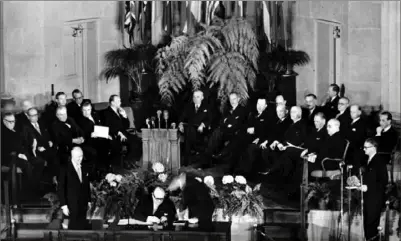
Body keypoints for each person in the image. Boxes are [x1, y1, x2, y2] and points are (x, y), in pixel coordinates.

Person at [361, 138, 388, 241]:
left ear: (373, 148)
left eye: (366, 147)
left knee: (371, 224)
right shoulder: (367, 161)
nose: (364, 149)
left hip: (375, 197)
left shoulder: (379, 161)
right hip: (368, 197)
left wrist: (368, 187)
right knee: (367, 223)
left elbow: (383, 181)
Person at [58, 147, 91, 230]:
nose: (80, 159)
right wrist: (64, 205)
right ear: (72, 156)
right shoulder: (65, 168)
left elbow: (86, 186)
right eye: (78, 157)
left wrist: (89, 200)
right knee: (72, 228)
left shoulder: (84, 167)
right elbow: (61, 188)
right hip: (71, 204)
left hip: (83, 204)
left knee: (82, 226)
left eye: (81, 156)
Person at [178, 90, 212, 162]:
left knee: (188, 133)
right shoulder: (189, 107)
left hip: (201, 130)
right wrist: (180, 124)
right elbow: (182, 117)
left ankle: (188, 158)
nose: (195, 99)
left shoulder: (207, 107)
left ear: (202, 97)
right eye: (194, 97)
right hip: (190, 129)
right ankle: (188, 158)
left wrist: (203, 125)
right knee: (189, 129)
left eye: (198, 97)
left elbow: (210, 119)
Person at [103, 95, 137, 165]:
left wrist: (124, 115)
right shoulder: (106, 112)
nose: (120, 103)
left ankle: (129, 161)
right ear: (112, 102)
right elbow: (108, 126)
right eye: (118, 101)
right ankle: (121, 164)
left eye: (120, 101)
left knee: (137, 141)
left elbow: (126, 126)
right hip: (113, 135)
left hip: (123, 133)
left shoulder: (120, 111)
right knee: (116, 146)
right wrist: (119, 133)